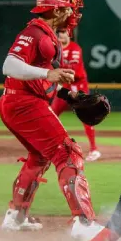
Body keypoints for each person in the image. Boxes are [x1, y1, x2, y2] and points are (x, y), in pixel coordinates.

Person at [0, 0, 99, 231]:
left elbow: (39, 81)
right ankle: (84, 223)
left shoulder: (45, 32)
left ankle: (15, 217)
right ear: (56, 10)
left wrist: (67, 94)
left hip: (18, 101)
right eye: (69, 8)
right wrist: (49, 73)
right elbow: (9, 65)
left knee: (40, 156)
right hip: (24, 103)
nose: (74, 13)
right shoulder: (36, 32)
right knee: (68, 153)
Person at [51, 29, 100, 161]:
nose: (61, 38)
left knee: (86, 116)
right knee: (51, 114)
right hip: (64, 86)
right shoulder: (56, 49)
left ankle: (94, 149)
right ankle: (49, 146)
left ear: (69, 35)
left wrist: (58, 72)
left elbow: (74, 73)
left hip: (78, 87)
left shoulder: (75, 48)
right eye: (59, 36)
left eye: (63, 35)